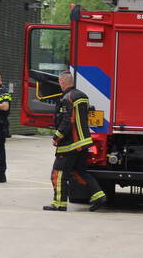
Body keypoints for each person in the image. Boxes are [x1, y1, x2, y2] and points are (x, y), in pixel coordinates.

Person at [44, 70, 107, 212]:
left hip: (70, 144)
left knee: (58, 174)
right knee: (80, 172)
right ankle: (99, 196)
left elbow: (67, 120)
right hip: (83, 143)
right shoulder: (82, 96)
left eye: (60, 82)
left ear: (62, 82)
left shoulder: (67, 98)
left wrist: (57, 137)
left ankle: (59, 204)